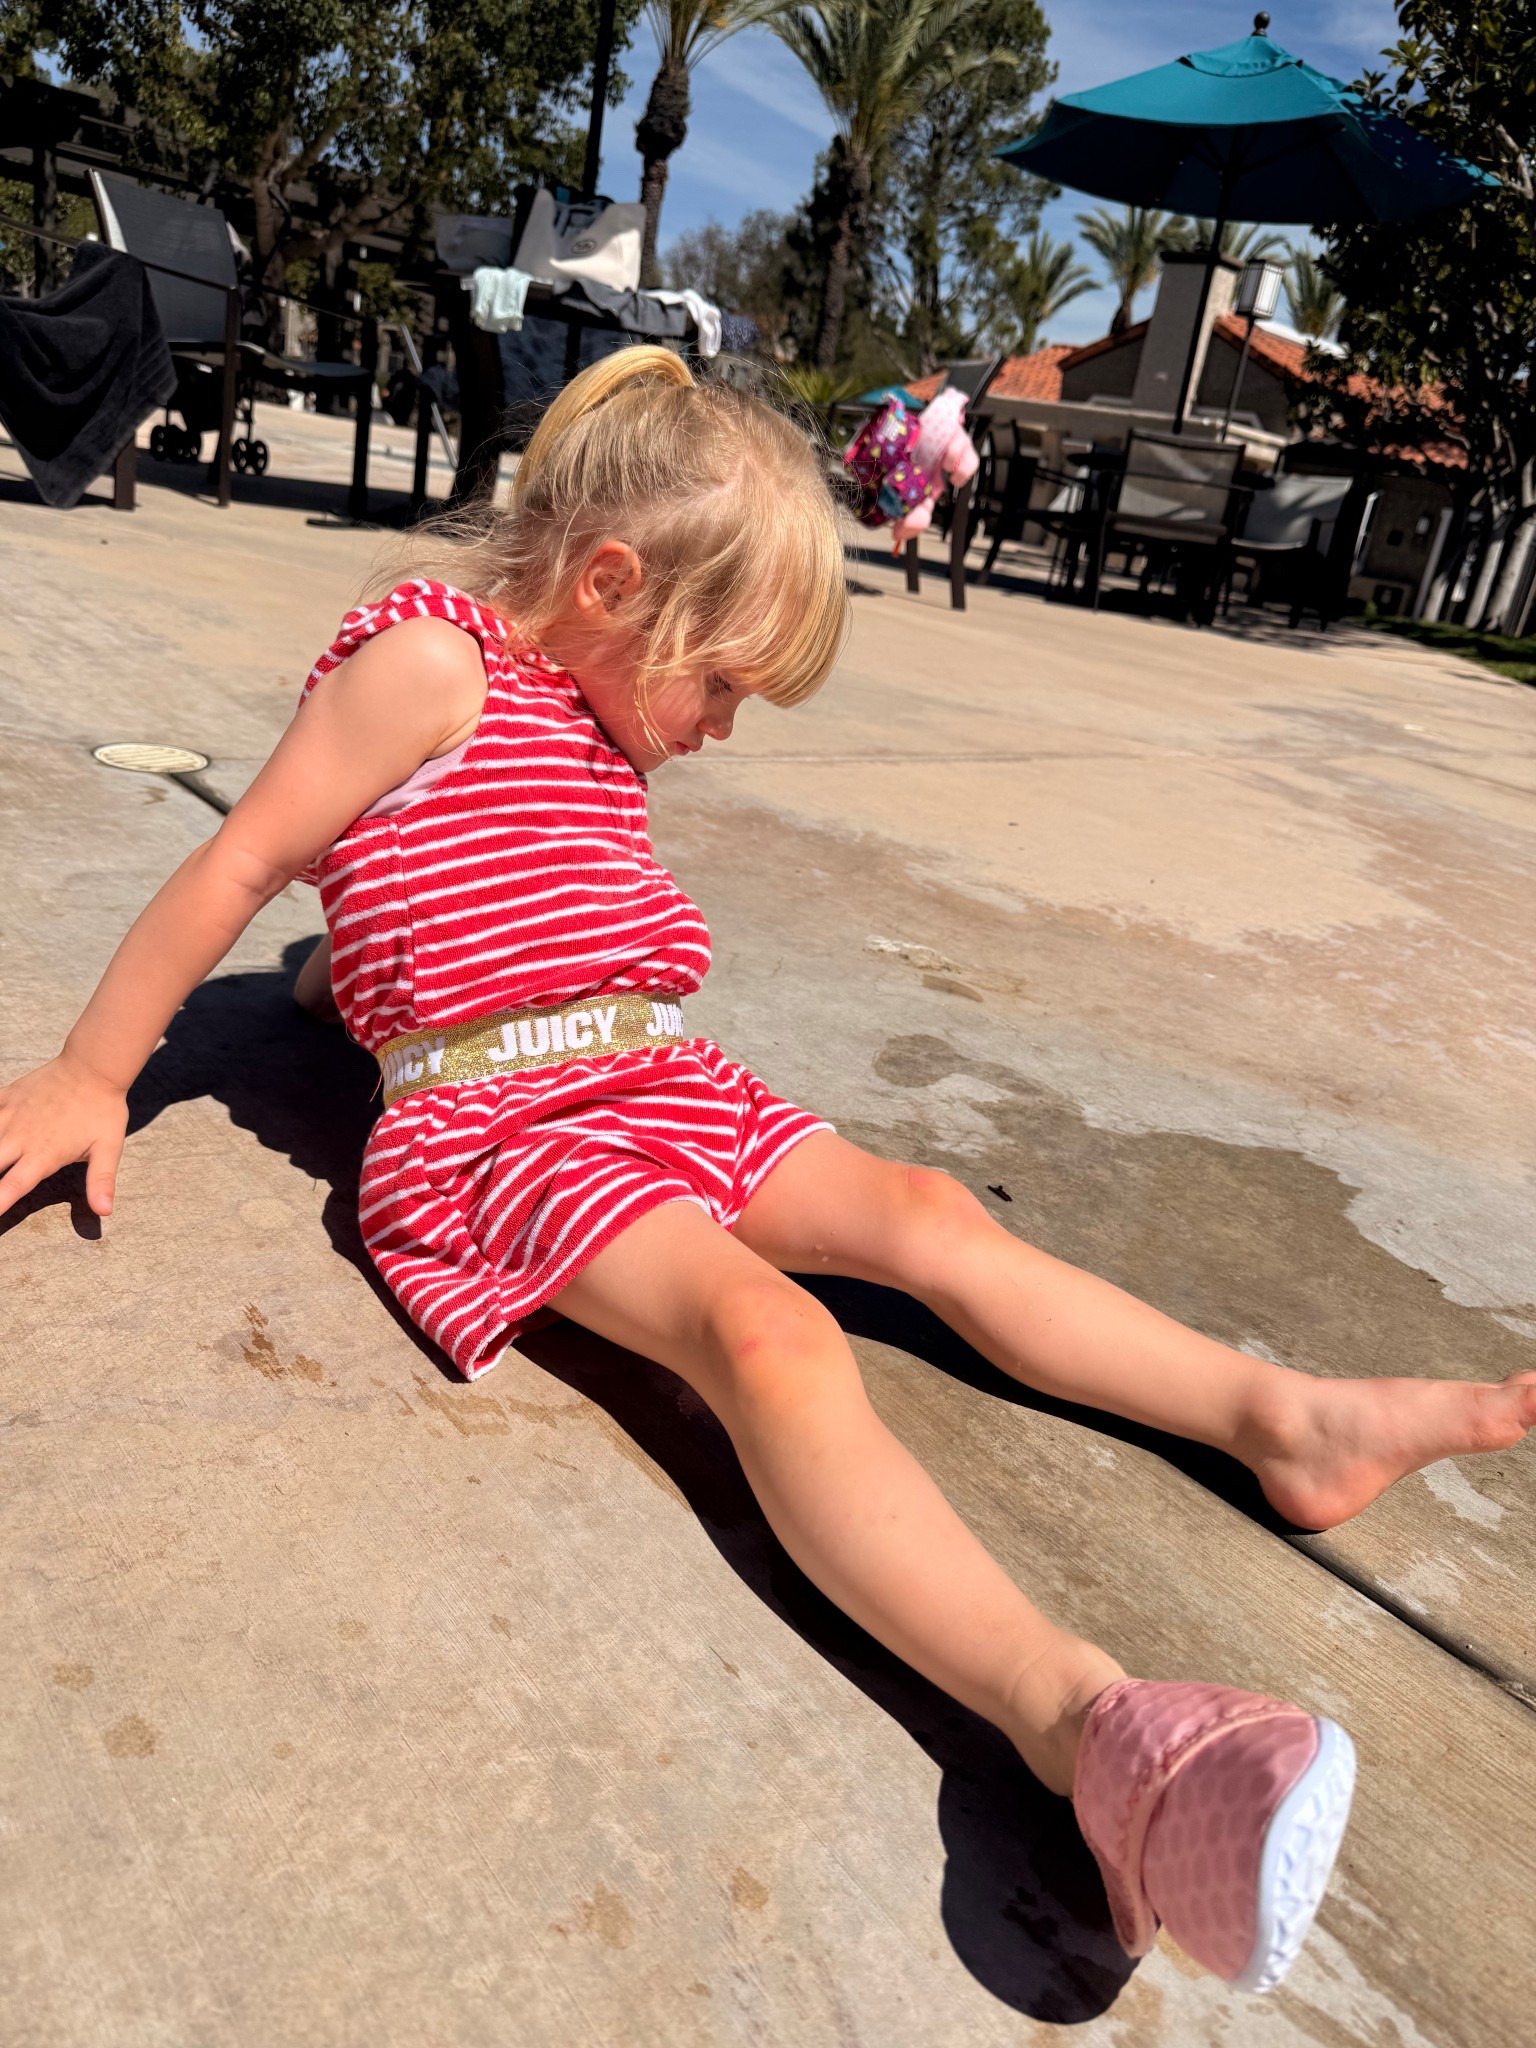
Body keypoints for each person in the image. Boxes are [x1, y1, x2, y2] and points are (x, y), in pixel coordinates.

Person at [3, 348, 1531, 1996]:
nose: (723, 730)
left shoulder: (589, 714)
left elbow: (433, 889)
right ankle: (1084, 1727)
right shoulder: (433, 663)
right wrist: (97, 1070)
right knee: (769, 1337)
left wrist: (338, 985)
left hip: (658, 1078)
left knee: (928, 1216)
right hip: (509, 1133)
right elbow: (253, 854)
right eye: (723, 684)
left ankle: (1282, 1421)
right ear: (611, 584)